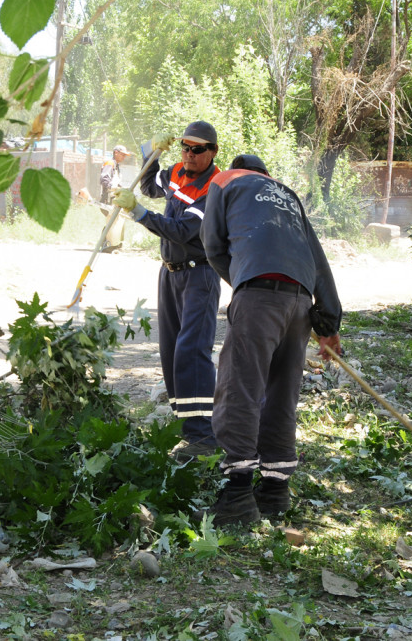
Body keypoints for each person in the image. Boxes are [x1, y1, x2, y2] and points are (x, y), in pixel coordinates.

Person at [197, 154, 343, 526]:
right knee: (282, 392)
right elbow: (318, 258)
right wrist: (328, 324)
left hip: (258, 296)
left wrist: (247, 281)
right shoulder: (286, 193)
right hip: (301, 302)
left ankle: (237, 495)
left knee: (240, 388)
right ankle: (275, 491)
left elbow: (212, 245)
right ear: (266, 174)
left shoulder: (226, 180)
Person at [113, 121, 222, 457]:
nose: (189, 154)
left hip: (199, 276)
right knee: (171, 350)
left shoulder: (214, 189)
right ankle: (184, 425)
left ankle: (204, 436)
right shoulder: (176, 172)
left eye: (198, 149)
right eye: (185, 147)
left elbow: (179, 231)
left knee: (192, 351)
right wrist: (152, 151)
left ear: (213, 151)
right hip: (170, 274)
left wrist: (137, 213)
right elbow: (150, 183)